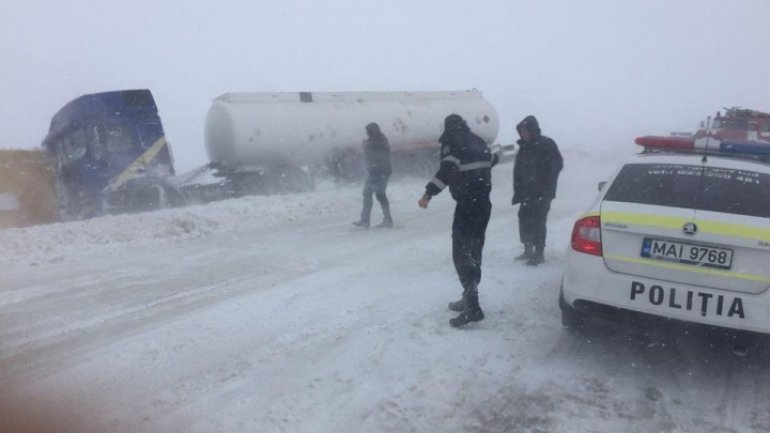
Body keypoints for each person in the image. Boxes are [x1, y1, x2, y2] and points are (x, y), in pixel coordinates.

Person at [418, 114, 498, 327]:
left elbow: (447, 171)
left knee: (461, 252)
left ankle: (472, 307)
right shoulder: (478, 140)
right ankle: (469, 296)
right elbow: (493, 159)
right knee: (474, 250)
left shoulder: (453, 142)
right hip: (483, 204)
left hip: (467, 205)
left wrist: (428, 194)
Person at [511, 115, 563, 266]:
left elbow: (557, 164)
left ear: (532, 130)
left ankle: (539, 252)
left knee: (538, 221)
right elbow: (519, 170)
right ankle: (527, 248)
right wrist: (519, 188)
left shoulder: (546, 144)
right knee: (524, 219)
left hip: (542, 192)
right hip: (526, 192)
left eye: (525, 131)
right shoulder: (524, 147)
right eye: (521, 131)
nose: (523, 134)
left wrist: (543, 181)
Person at [353, 122, 393, 228]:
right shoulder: (377, 140)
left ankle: (386, 220)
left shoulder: (380, 141)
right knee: (369, 193)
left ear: (372, 131)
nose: (367, 134)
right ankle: (366, 219)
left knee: (378, 194)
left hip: (381, 172)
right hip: (376, 171)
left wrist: (366, 147)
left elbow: (377, 154)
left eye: (368, 132)